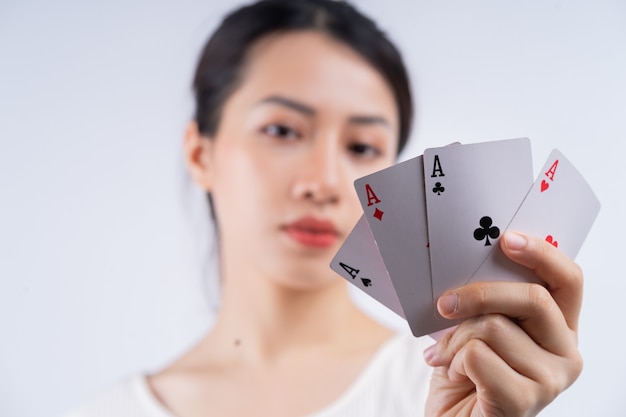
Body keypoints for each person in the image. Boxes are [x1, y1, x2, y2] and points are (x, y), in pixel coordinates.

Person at [65, 0, 583, 416]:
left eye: (361, 147)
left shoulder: (465, 383)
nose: (325, 183)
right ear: (201, 154)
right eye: (282, 131)